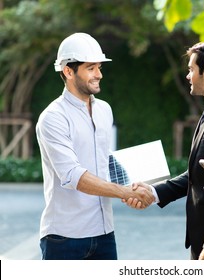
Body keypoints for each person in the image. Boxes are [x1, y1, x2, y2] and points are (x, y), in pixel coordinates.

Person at [127, 41, 204, 260]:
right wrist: (154, 192)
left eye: (191, 70)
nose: (188, 76)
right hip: (203, 240)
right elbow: (197, 174)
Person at [35, 32, 154, 260]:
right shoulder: (53, 117)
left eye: (99, 67)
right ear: (68, 71)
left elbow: (103, 162)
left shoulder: (104, 110)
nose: (99, 74)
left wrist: (134, 188)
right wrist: (125, 192)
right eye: (91, 68)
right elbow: (72, 175)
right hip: (64, 237)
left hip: (104, 233)